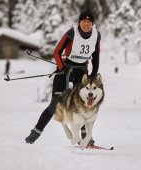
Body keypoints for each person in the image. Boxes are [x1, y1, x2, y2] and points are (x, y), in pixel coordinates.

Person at [25, 9, 101, 145]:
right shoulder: (72, 33)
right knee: (55, 104)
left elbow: (96, 55)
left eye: (89, 22)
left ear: (92, 24)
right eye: (84, 21)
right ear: (80, 22)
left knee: (84, 104)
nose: (87, 24)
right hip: (65, 70)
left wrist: (94, 72)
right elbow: (57, 52)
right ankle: (35, 133)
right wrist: (62, 67)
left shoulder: (96, 35)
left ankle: (86, 138)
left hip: (82, 72)